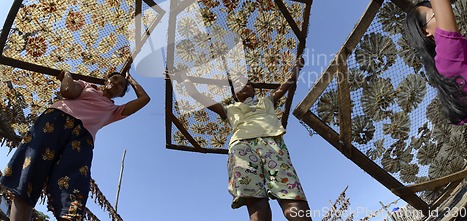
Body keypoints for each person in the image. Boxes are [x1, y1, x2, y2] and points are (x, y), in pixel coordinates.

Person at [0, 69, 150, 221]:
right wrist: (67, 75)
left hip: (82, 138)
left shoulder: (114, 111)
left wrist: (130, 79)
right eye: (114, 79)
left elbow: (144, 99)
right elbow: (67, 91)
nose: (116, 83)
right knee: (30, 175)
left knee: (74, 185)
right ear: (106, 81)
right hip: (55, 121)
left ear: (121, 95)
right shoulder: (86, 86)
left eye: (121, 85)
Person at [177, 58, 312, 221]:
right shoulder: (229, 109)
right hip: (242, 147)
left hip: (272, 143)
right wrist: (183, 77)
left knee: (290, 192)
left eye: (247, 84)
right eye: (238, 86)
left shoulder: (267, 101)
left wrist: (297, 67)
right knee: (254, 199)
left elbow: (287, 83)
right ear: (234, 94)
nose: (244, 87)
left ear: (254, 89)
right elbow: (196, 94)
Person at [366, 0, 467, 130]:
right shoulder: (449, 54)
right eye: (435, 13)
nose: (445, 14)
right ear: (426, 32)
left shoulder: (446, 65)